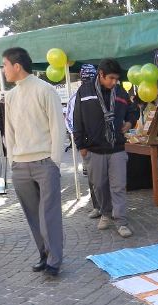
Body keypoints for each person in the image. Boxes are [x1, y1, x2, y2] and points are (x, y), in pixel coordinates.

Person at [2, 47, 66, 277]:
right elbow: (9, 132)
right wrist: (12, 160)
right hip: (20, 165)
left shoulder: (45, 90)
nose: (4, 70)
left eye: (5, 65)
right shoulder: (10, 96)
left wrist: (55, 161)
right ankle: (44, 253)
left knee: (48, 213)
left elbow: (57, 128)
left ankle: (55, 260)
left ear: (17, 66)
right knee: (32, 214)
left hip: (44, 162)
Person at [73, 58, 138, 237]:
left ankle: (121, 221)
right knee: (99, 186)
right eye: (110, 78)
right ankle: (106, 213)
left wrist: (129, 122)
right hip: (94, 149)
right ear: (100, 74)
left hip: (116, 147)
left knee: (118, 187)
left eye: (116, 79)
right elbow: (77, 119)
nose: (114, 82)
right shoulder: (84, 91)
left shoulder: (120, 92)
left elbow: (133, 110)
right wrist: (81, 145)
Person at [67, 64, 104, 220]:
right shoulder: (76, 97)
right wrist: (80, 142)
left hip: (104, 143)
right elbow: (71, 121)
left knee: (102, 176)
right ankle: (97, 206)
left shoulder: (104, 93)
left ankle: (105, 207)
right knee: (93, 177)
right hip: (89, 145)